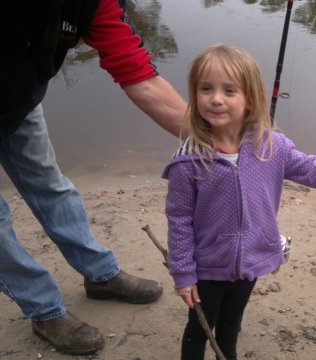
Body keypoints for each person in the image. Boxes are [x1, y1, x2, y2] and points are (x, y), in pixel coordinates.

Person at [162, 43, 316, 360]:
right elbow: (179, 221)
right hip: (207, 268)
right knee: (199, 329)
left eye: (229, 90)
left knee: (232, 322)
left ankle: (227, 354)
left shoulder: (272, 147)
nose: (216, 98)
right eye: (206, 89)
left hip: (252, 261)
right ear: (194, 93)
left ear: (250, 99)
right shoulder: (188, 161)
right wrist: (183, 273)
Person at [0, 0, 187, 355]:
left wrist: (217, 143)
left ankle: (100, 275)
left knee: (51, 183)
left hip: (19, 97)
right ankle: (43, 308)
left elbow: (136, 71)